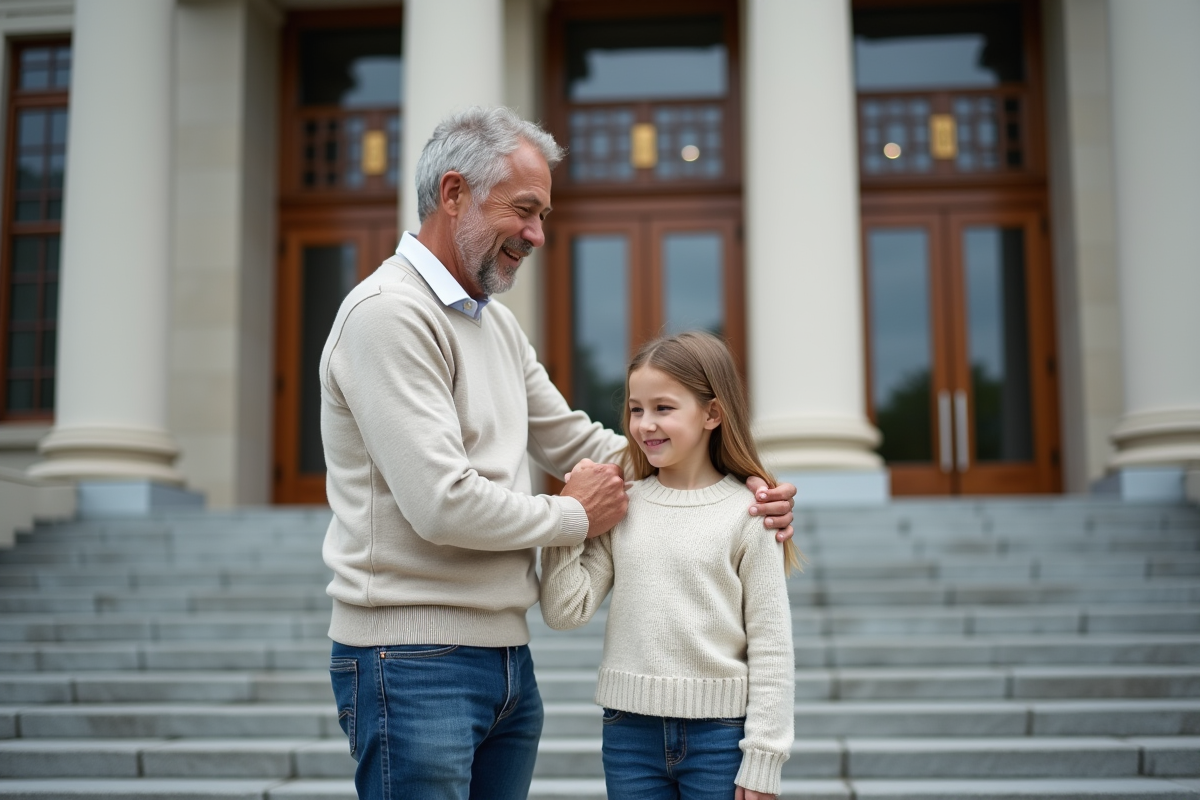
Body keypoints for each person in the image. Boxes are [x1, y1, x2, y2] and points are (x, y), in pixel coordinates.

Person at [319, 107, 797, 800]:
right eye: (525, 210)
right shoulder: (389, 315)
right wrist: (572, 515)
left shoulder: (496, 326)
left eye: (543, 214)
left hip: (505, 662)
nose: (539, 235)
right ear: (454, 195)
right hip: (411, 660)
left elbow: (581, 440)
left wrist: (728, 480)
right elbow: (441, 503)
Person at [541, 331, 798, 800]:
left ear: (712, 414)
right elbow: (565, 611)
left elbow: (772, 646)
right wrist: (569, 516)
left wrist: (764, 758)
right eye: (636, 409)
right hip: (628, 736)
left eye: (663, 408)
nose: (644, 424)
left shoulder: (750, 513)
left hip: (720, 738)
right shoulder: (622, 507)